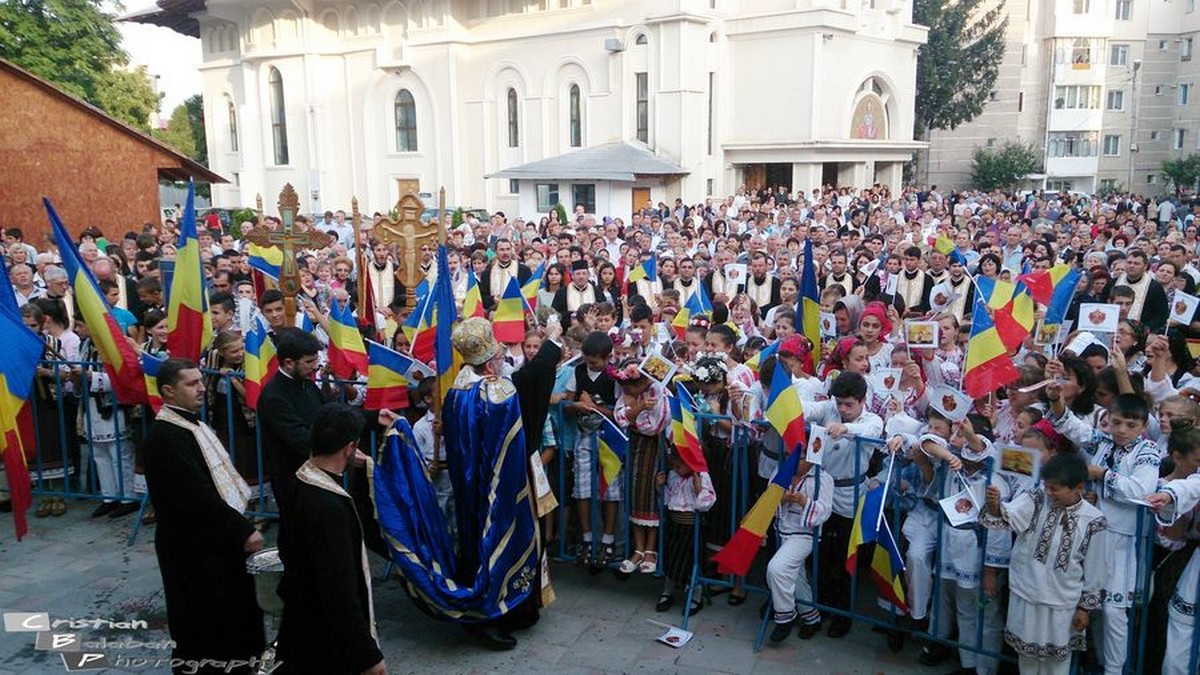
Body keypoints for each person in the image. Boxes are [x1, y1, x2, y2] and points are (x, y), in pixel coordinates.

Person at [141, 358, 264, 674]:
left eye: (200, 381)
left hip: (215, 540)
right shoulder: (165, 435)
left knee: (231, 614)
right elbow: (195, 494)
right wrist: (242, 529)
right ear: (169, 391)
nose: (200, 388)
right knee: (202, 619)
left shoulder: (190, 421)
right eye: (191, 383)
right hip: (192, 548)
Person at [275, 402, 386, 675]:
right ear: (350, 448)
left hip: (301, 624)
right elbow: (339, 589)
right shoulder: (329, 509)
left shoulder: (301, 480)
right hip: (325, 644)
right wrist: (367, 656)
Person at [982, 453, 1107, 675]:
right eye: (1047, 486)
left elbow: (1095, 569)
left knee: (1057, 665)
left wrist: (1084, 608)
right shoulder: (1037, 498)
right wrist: (995, 506)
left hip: (1062, 604)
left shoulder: (1094, 521)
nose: (1049, 492)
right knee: (1027, 660)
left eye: (1055, 489)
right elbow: (1009, 515)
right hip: (1026, 593)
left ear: (1078, 487)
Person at [258, 328, 326, 509]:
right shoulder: (274, 397)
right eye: (309, 361)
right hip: (293, 480)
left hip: (316, 474)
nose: (315, 366)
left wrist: (374, 416)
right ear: (289, 363)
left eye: (316, 360)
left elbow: (330, 412)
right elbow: (300, 438)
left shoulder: (306, 383)